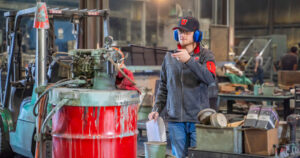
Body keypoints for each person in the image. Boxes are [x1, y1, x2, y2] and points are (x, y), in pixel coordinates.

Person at [148, 16, 216, 158]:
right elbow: (163, 87)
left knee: (198, 156)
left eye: (186, 32)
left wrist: (189, 61)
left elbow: (210, 78)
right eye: (179, 32)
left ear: (196, 35)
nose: (182, 35)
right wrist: (156, 109)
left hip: (198, 119)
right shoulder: (169, 57)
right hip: (175, 120)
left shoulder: (206, 55)